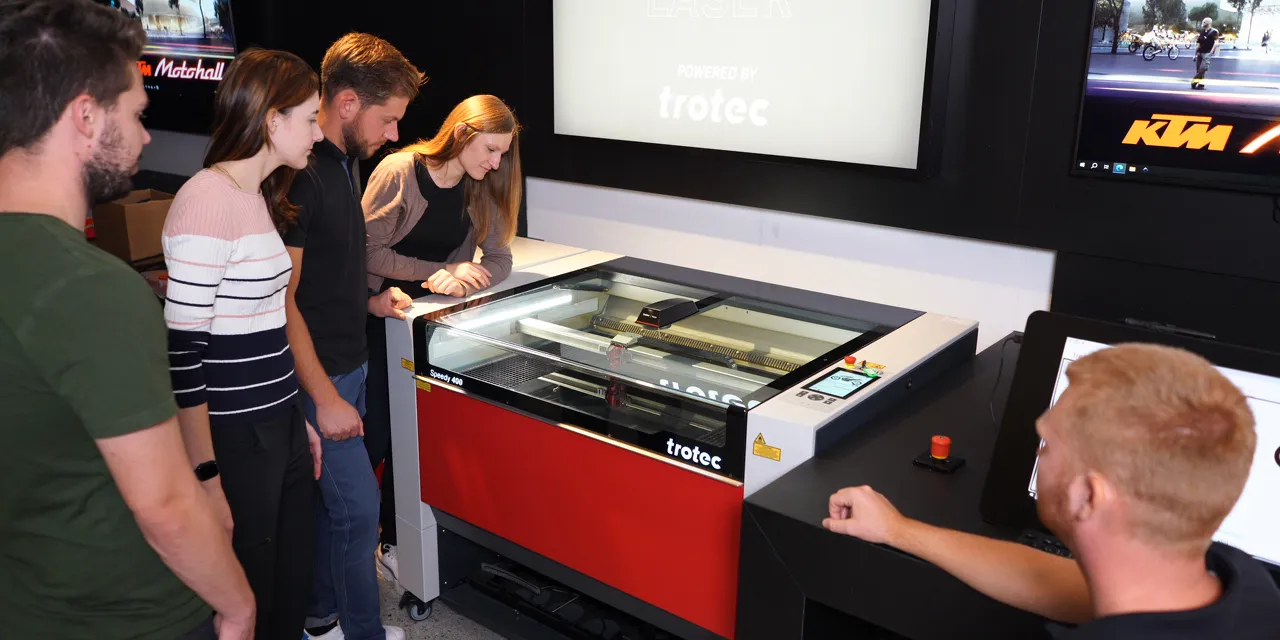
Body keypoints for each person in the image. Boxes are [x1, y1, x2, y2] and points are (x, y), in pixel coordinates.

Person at [0, 1, 255, 639]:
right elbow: (166, 505)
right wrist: (238, 603)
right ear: (85, 117)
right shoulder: (90, 288)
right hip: (133, 616)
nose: (145, 137)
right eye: (138, 113)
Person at [824, 344, 1280, 637]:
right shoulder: (1246, 587)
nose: (1038, 453)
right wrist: (899, 530)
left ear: (1090, 496)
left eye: (1048, 443)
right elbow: (1060, 582)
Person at [162, 48, 326, 639]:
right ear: (271, 120)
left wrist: (295, 419)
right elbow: (184, 354)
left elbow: (263, 321)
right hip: (233, 433)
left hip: (275, 420)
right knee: (251, 590)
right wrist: (206, 474)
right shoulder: (206, 200)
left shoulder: (256, 194)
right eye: (310, 117)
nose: (319, 130)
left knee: (290, 579)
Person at [283, 32, 424, 640]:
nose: (394, 134)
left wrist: (371, 300)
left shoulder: (345, 162)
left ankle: (321, 619)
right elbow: (281, 302)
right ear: (345, 103)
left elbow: (325, 277)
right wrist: (327, 398)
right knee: (360, 517)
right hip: (321, 377)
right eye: (387, 119)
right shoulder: (301, 176)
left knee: (335, 512)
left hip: (349, 363)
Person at [361, 94, 523, 581]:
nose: (496, 163)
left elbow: (500, 258)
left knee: (412, 438)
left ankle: (393, 544)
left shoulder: (482, 186)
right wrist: (443, 269)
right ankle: (345, 549)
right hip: (374, 313)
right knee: (375, 439)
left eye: (503, 154)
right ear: (462, 134)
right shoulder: (400, 170)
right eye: (490, 150)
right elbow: (365, 252)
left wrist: (468, 278)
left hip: (424, 322)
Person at [1193, 17, 1221, 90]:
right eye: (1203, 21)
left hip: (1207, 53)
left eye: (1204, 21)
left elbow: (1216, 43)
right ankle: (1201, 84)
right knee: (1198, 69)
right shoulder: (1202, 31)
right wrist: (1195, 54)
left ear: (1209, 23)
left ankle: (1194, 80)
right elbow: (1198, 43)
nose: (1203, 22)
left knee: (1204, 67)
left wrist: (1211, 52)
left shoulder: (1214, 31)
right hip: (1200, 53)